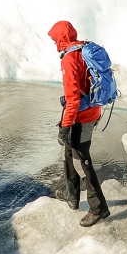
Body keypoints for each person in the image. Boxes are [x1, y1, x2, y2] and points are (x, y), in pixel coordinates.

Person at [47, 20, 110, 227]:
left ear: (60, 38)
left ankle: (98, 208)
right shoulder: (83, 48)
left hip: (81, 117)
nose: (54, 41)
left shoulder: (69, 59)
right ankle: (72, 195)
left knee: (81, 161)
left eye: (54, 38)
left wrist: (65, 126)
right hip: (92, 110)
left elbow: (73, 99)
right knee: (69, 153)